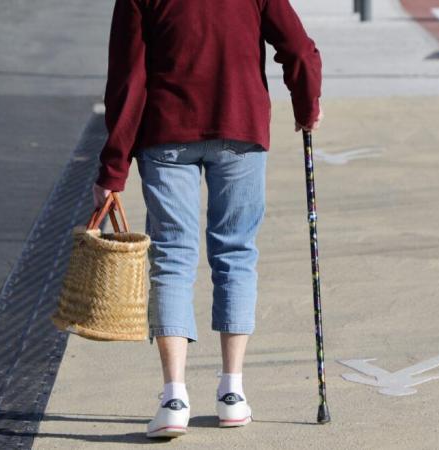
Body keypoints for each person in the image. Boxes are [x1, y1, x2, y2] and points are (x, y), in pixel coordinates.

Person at [92, 0, 323, 438]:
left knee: (172, 258)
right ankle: (232, 393)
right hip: (240, 125)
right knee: (235, 252)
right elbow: (297, 48)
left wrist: (113, 167)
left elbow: (127, 78)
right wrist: (306, 104)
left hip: (165, 133)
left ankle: (174, 397)